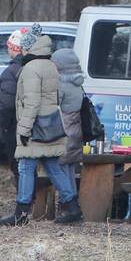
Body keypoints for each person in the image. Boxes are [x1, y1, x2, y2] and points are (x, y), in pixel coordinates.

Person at [0, 25, 81, 227]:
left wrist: (24, 130)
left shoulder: (31, 69)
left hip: (36, 127)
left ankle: (22, 211)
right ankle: (72, 207)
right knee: (53, 167)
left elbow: (32, 102)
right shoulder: (50, 65)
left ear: (29, 48)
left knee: (26, 166)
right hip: (51, 125)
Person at [52, 47, 85, 203]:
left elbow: (53, 106)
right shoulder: (78, 84)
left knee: (61, 170)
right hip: (76, 131)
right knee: (70, 169)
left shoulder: (62, 85)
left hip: (64, 131)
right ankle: (73, 201)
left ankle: (67, 202)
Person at [0, 27, 29, 184]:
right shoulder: (38, 67)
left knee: (19, 167)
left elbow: (7, 105)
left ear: (13, 48)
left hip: (16, 128)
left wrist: (3, 125)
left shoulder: (10, 73)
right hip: (37, 126)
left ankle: (24, 203)